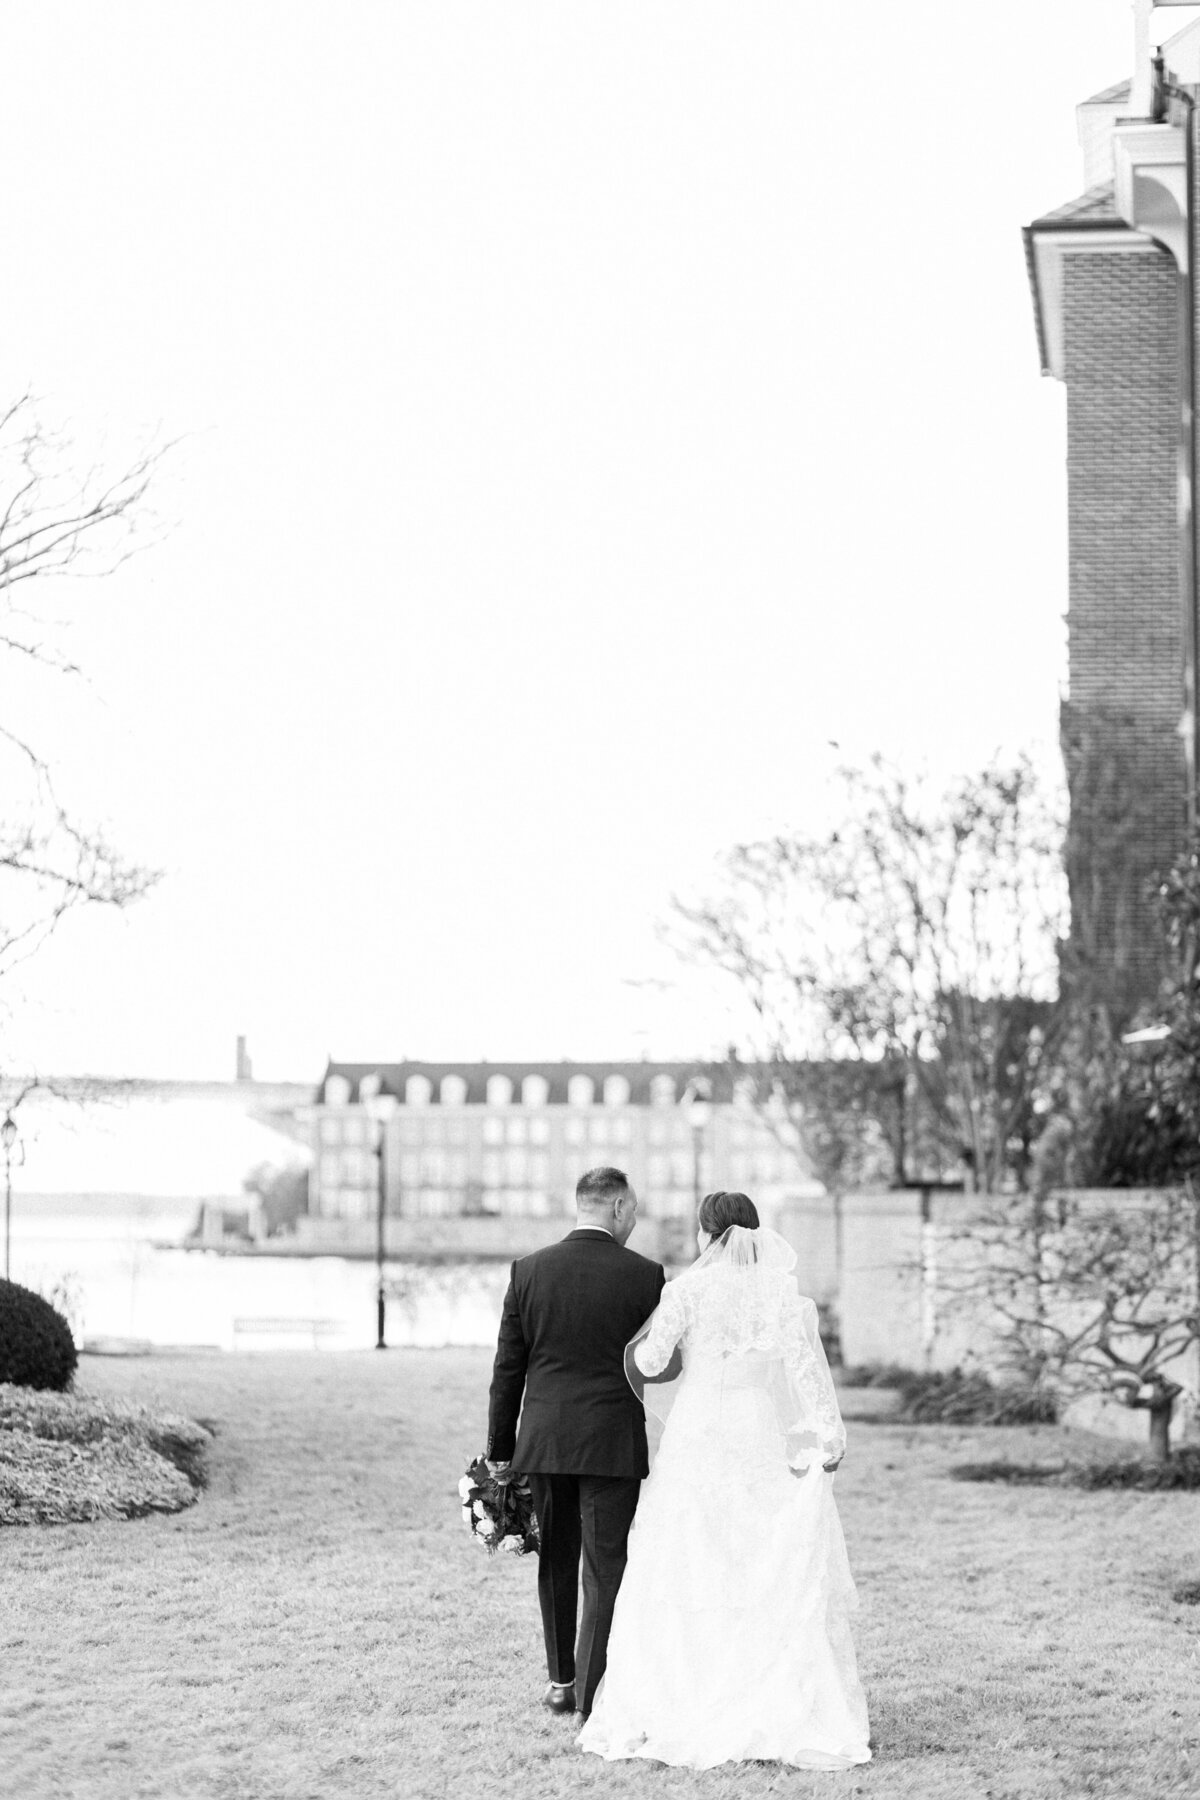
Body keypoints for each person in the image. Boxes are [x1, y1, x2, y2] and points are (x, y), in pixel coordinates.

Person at [577, 1190, 872, 1771]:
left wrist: (644, 1347)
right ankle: (763, 1689)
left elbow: (654, 1358)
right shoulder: (783, 1295)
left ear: (707, 1234)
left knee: (687, 1553)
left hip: (697, 1430)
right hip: (754, 1426)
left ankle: (680, 1692)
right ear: (755, 1234)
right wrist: (827, 1440)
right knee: (753, 1553)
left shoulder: (686, 1290)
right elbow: (809, 1373)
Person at [486, 1165, 665, 1719]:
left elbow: (507, 1367)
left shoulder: (529, 1270)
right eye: (632, 1210)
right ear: (615, 1207)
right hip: (611, 1443)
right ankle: (592, 1695)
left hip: (544, 1441)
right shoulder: (647, 1276)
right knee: (605, 1565)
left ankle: (561, 1682)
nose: (634, 1219)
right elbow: (656, 1364)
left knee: (556, 1560)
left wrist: (499, 1445)